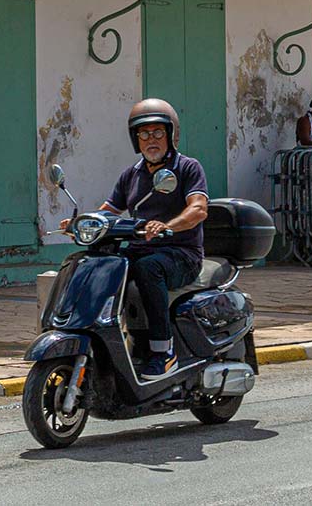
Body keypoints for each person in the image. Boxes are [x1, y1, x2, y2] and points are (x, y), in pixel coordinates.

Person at [65, 98, 209, 379]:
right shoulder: (131, 175)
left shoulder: (188, 168)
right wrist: (79, 223)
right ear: (136, 139)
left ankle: (163, 352)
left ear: (171, 134)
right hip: (143, 250)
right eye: (144, 134)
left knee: (148, 268)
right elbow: (108, 211)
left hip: (181, 253)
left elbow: (198, 209)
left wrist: (168, 225)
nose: (150, 140)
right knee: (89, 262)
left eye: (157, 133)